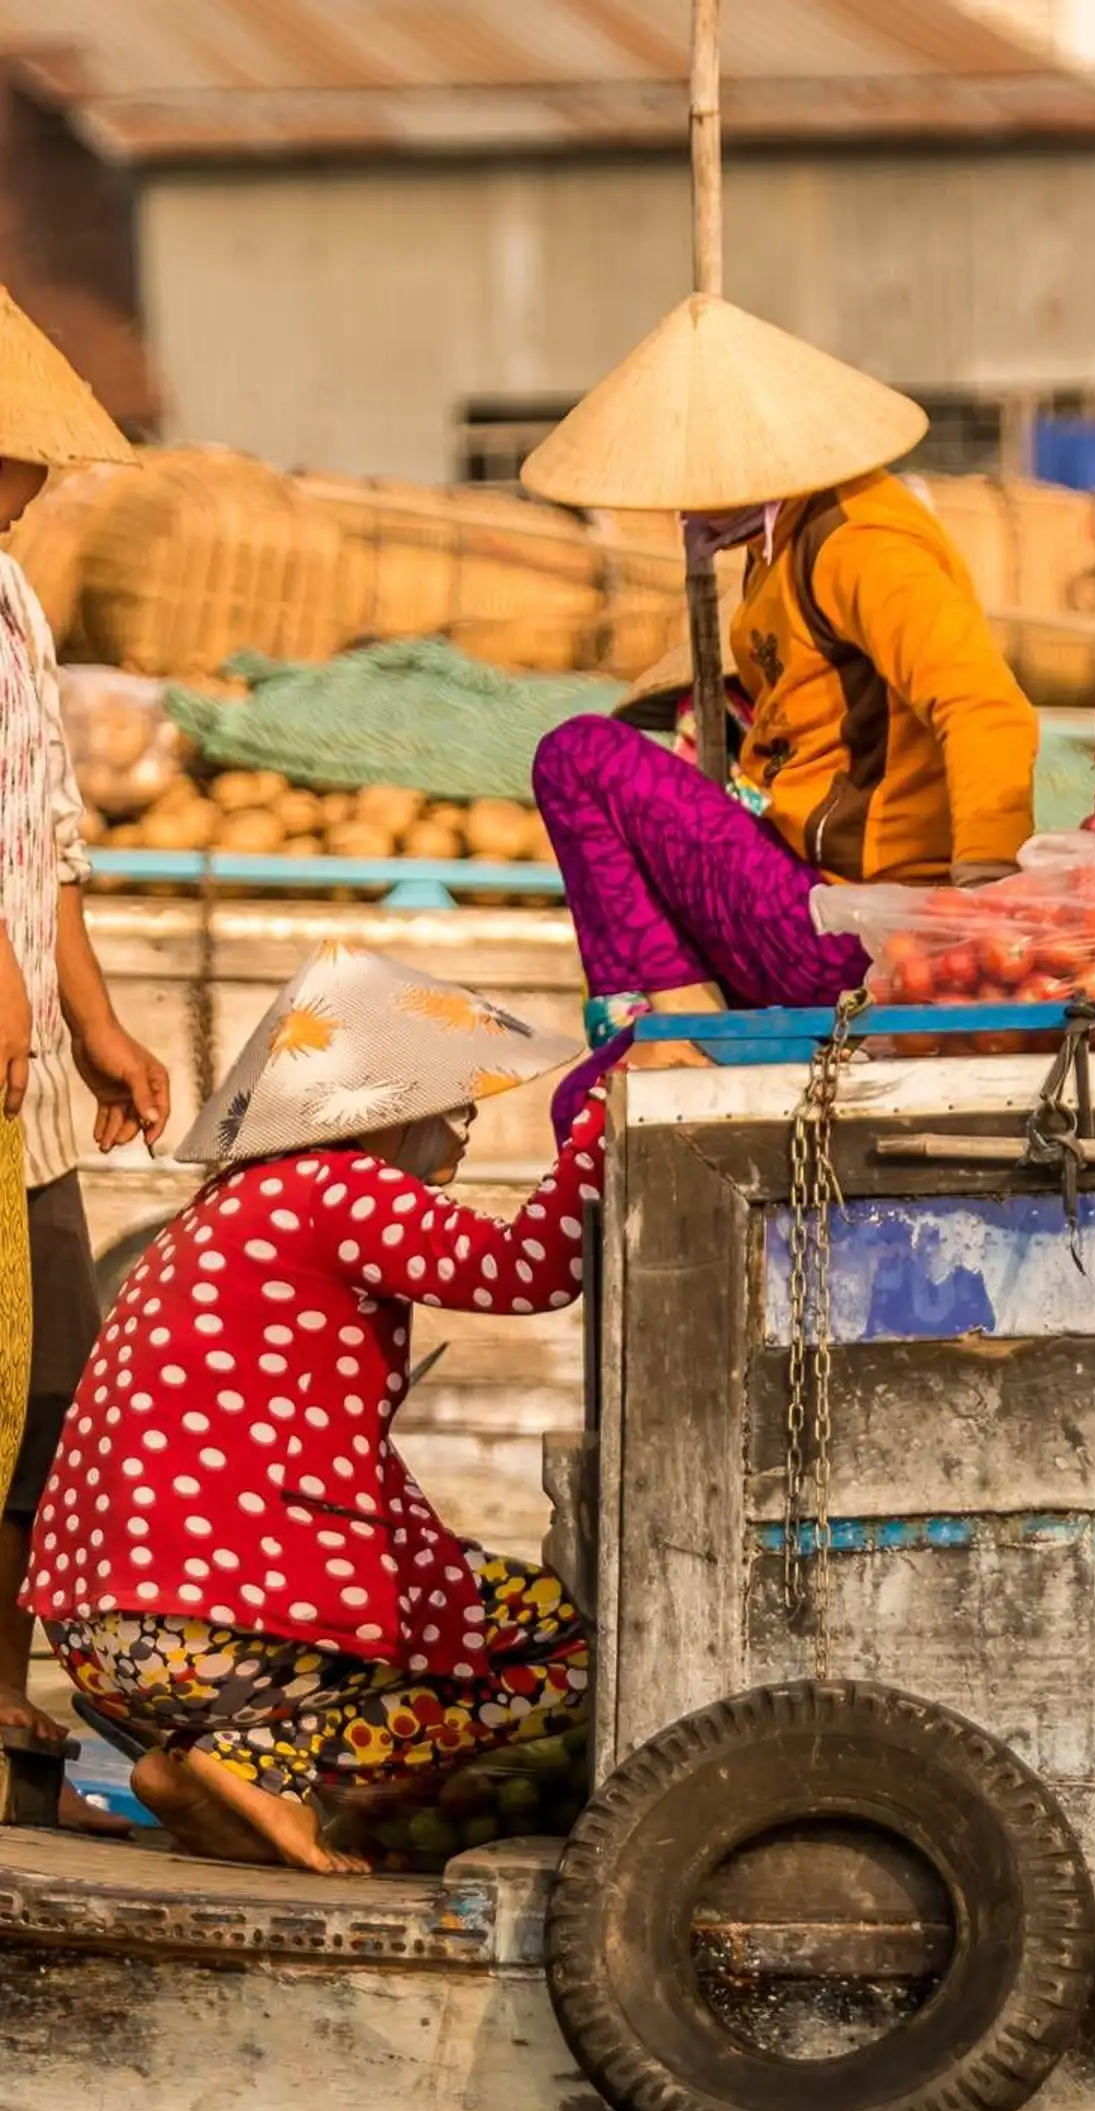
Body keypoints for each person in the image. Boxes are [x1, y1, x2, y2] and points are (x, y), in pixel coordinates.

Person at [27, 941, 602, 1875]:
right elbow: (530, 1271)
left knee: (457, 1599)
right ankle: (254, 1764)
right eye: (450, 1107)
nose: (460, 1131)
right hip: (203, 1627)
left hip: (106, 1632)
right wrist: (609, 1128)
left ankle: (214, 1774)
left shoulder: (231, 1204)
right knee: (559, 1644)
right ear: (383, 1113)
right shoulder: (340, 1188)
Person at [524, 294, 1039, 1060]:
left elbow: (986, 708)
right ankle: (675, 1026)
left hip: (857, 930)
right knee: (585, 1098)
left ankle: (684, 1023)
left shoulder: (863, 542)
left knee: (579, 757)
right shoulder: (781, 545)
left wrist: (982, 912)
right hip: (812, 896)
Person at [0, 287, 172, 1804]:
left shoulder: (14, 604)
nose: (34, 482)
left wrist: (91, 1013)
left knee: (46, 1383)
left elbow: (45, 832)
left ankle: (6, 1688)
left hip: (25, 1083)